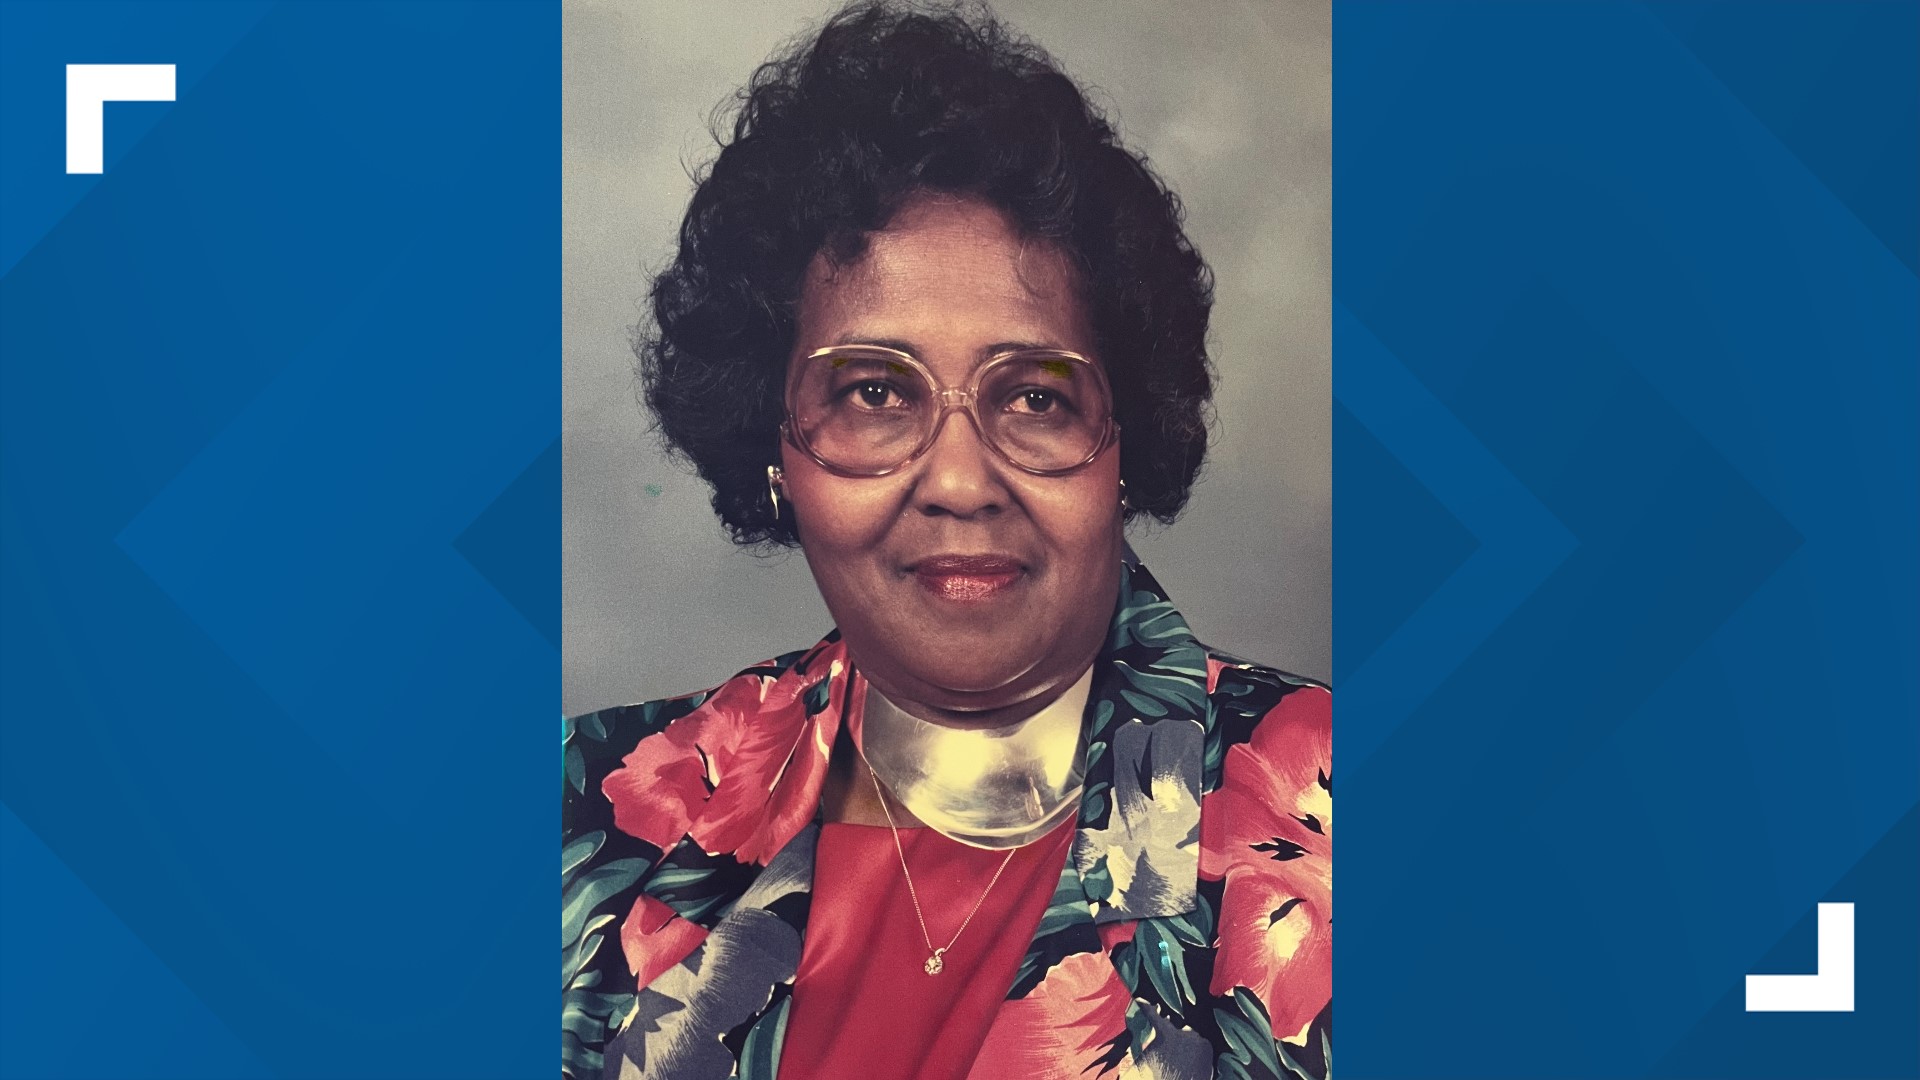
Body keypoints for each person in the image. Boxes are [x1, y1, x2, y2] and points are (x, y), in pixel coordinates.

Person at [561, 4, 1330, 1077]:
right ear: (775, 452)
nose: (963, 481)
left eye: (1034, 400)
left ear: (1122, 446)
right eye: (874, 391)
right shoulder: (583, 822)